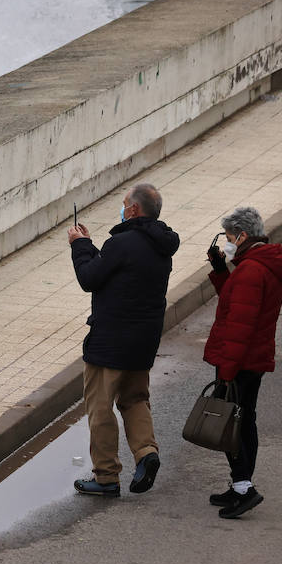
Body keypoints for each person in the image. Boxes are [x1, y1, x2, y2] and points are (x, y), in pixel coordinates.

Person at [66, 182, 180, 497]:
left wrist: (80, 245)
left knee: (100, 408)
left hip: (110, 342)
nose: (122, 207)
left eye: (124, 203)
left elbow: (90, 278)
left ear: (133, 210)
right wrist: (90, 245)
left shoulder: (122, 244)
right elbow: (116, 273)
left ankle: (106, 477)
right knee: (135, 400)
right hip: (143, 340)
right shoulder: (161, 246)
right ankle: (146, 453)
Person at [202, 206, 282, 519]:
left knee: (230, 422)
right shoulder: (259, 263)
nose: (226, 242)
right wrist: (220, 269)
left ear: (242, 235)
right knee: (244, 418)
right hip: (253, 358)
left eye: (228, 237)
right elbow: (235, 298)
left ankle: (244, 489)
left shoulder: (252, 270)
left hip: (240, 361)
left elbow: (240, 326)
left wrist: (226, 371)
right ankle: (241, 483)